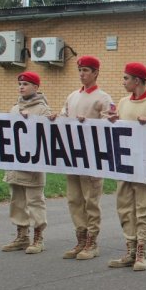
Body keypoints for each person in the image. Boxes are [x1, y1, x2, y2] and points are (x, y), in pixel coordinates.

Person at [49, 55, 113, 260]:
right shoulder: (72, 96)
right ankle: (80, 238)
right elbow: (64, 117)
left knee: (91, 200)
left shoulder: (103, 98)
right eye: (80, 70)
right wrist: (55, 118)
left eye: (86, 70)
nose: (82, 74)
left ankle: (92, 242)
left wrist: (90, 123)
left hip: (92, 157)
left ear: (95, 73)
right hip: (73, 155)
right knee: (74, 199)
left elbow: (110, 125)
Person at [106, 62, 146, 272]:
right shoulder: (122, 102)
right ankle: (130, 248)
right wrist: (114, 120)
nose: (123, 82)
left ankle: (142, 251)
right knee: (124, 206)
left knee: (143, 208)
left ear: (137, 80)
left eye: (126, 78)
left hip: (145, 165)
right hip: (124, 163)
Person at [0, 72, 52, 254]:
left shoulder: (42, 110)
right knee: (17, 201)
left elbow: (47, 136)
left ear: (36, 88)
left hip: (32, 166)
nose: (22, 87)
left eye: (26, 84)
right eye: (20, 83)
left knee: (35, 201)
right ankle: (22, 236)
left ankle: (38, 237)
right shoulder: (14, 108)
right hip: (15, 164)